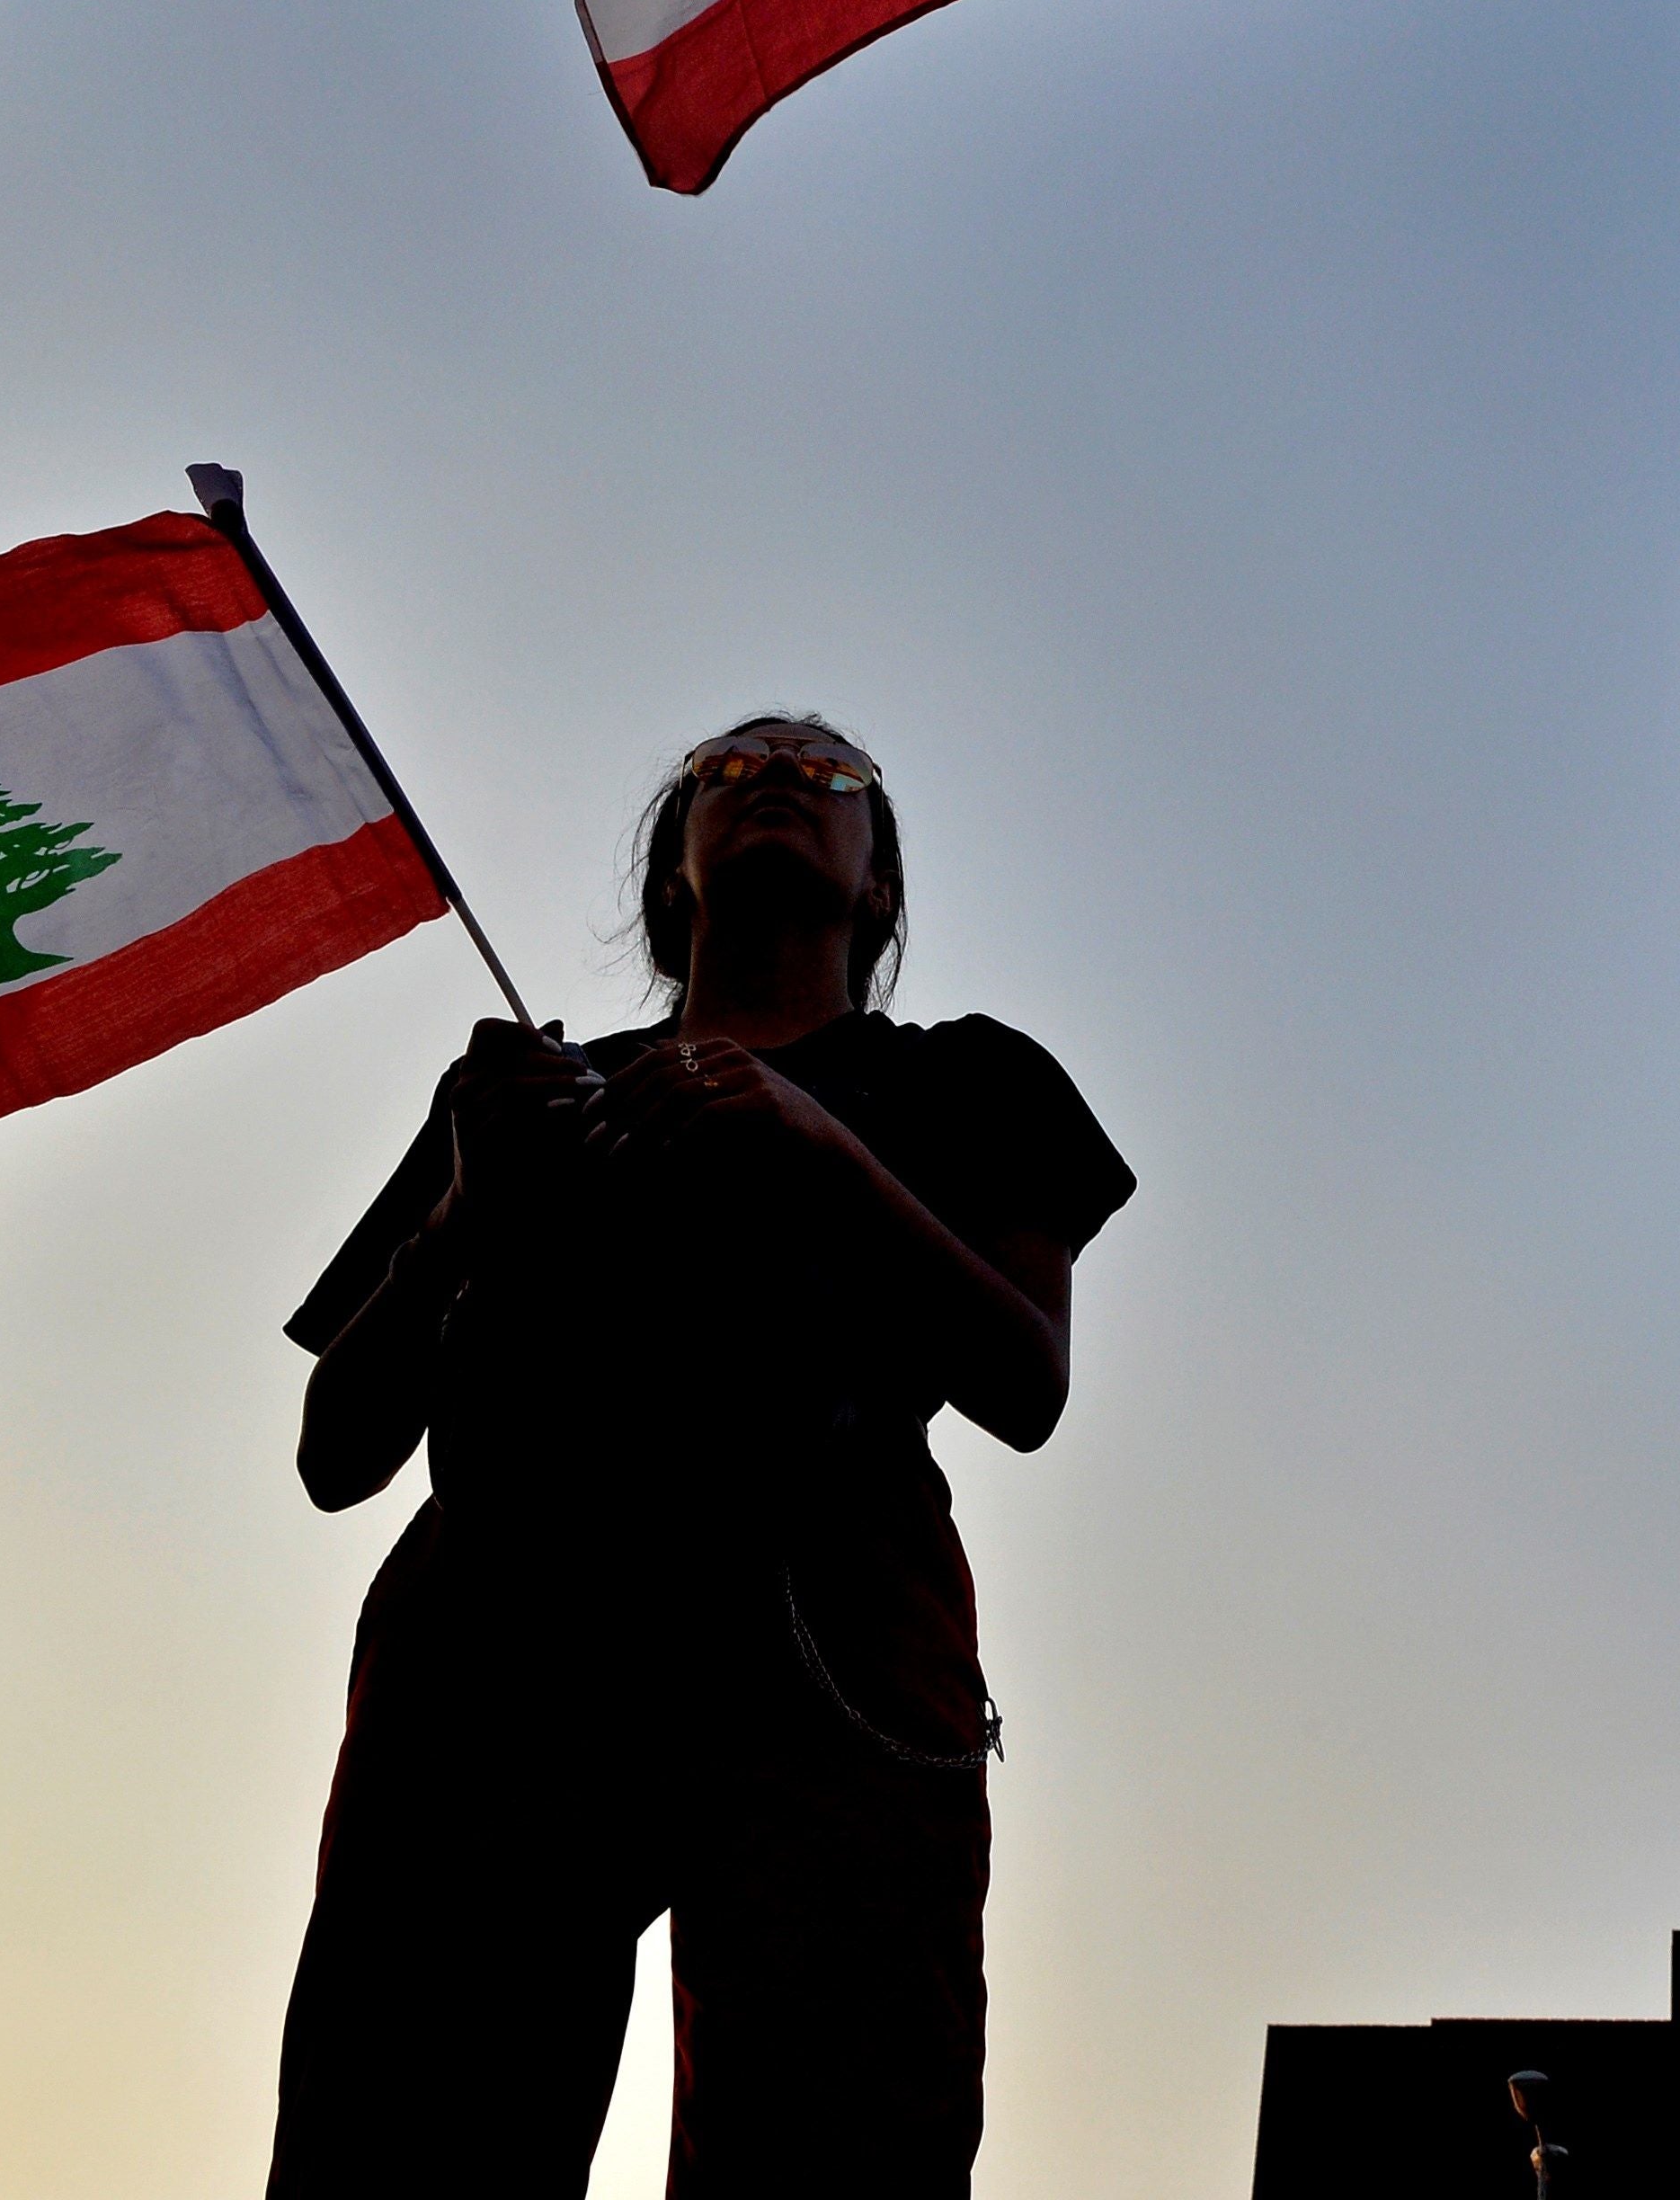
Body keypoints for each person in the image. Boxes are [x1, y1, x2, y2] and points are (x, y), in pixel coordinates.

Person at [265, 714, 1133, 2200]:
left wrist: (820, 1146)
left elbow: (1023, 1380)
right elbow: (337, 1450)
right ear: (676, 876)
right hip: (496, 1651)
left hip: (829, 1642)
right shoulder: (519, 1098)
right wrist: (462, 1212)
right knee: (407, 2134)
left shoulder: (967, 1083)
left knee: (830, 2144)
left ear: (878, 892)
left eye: (829, 771)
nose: (776, 778)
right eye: (724, 774)